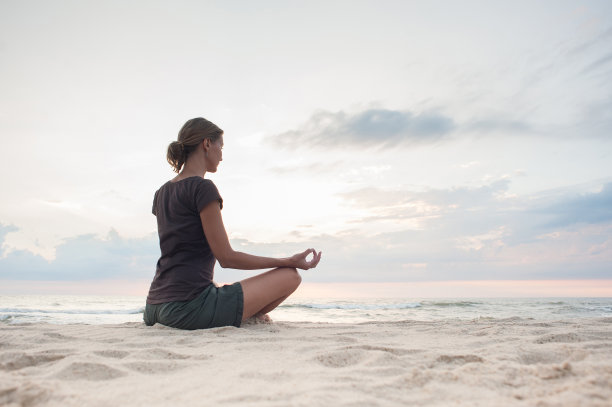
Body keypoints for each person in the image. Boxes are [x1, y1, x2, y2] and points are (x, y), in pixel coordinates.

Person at [143, 117, 322, 330]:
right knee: (290, 276)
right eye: (221, 146)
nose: (221, 155)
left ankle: (244, 313)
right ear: (207, 144)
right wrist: (288, 261)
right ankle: (250, 315)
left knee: (216, 287)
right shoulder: (203, 188)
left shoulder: (161, 193)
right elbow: (227, 258)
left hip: (153, 307)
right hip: (186, 309)